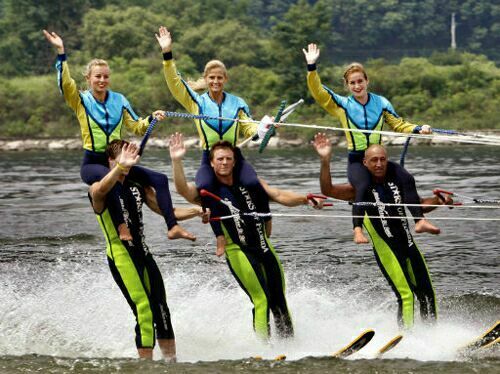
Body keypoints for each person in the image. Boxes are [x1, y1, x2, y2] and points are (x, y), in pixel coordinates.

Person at [168, 132, 324, 340]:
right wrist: (177, 160)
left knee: (279, 300)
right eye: (219, 159)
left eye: (228, 159)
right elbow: (182, 190)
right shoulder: (208, 190)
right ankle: (263, 350)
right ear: (212, 164)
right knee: (262, 300)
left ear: (234, 162)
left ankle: (289, 346)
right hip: (238, 251)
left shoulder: (250, 183)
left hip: (264, 247)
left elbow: (278, 195)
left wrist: (305, 199)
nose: (224, 162)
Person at [43, 29, 195, 242]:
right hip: (93, 162)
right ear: (88, 78)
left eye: (106, 76)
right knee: (111, 180)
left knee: (159, 179)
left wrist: (152, 117)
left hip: (119, 159)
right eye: (98, 76)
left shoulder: (119, 100)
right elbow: (65, 84)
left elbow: (137, 127)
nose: (102, 80)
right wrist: (61, 53)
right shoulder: (80, 100)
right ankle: (122, 227)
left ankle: (173, 227)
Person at [303, 43, 440, 244]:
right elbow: (318, 92)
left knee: (407, 179)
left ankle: (419, 221)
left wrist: (419, 129)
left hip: (379, 160)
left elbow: (398, 124)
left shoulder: (382, 103)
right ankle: (357, 230)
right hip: (358, 160)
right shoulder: (342, 105)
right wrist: (312, 67)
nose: (357, 86)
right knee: (363, 186)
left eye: (360, 81)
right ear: (347, 85)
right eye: (352, 83)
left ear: (367, 81)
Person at [88, 139, 206, 360]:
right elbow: (98, 192)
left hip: (143, 253)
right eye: (121, 160)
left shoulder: (136, 186)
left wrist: (197, 211)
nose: (127, 165)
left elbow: (166, 210)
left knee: (161, 308)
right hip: (122, 255)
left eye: (130, 160)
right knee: (144, 309)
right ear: (110, 161)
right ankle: (146, 366)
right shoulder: (98, 187)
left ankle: (170, 363)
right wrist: (120, 167)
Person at [312, 133, 441, 329]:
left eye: (382, 159)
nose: (379, 164)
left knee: (427, 294)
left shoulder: (396, 181)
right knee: (406, 295)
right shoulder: (358, 188)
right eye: (374, 160)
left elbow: (420, 205)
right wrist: (325, 160)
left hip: (408, 245)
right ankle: (408, 339)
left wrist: (440, 201)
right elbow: (328, 189)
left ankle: (433, 336)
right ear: (365, 163)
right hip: (387, 249)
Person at [155, 26, 272, 191]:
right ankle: (209, 213)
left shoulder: (238, 103)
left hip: (233, 157)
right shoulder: (197, 102)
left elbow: (248, 127)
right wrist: (167, 53)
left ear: (225, 79)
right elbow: (176, 84)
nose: (215, 81)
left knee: (253, 184)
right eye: (211, 78)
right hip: (208, 157)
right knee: (204, 187)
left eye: (219, 78)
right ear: (205, 78)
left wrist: (263, 127)